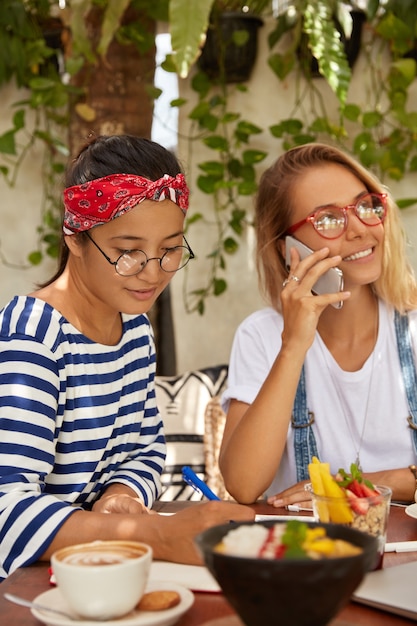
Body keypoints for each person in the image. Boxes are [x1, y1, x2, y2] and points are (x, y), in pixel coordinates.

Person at [0, 134, 254, 581]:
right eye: (127, 252)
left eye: (170, 249)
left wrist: (122, 494)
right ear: (74, 237)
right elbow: (7, 512)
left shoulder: (134, 330)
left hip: (102, 571)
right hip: (31, 591)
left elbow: (144, 452)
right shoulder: (33, 337)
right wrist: (150, 535)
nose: (153, 272)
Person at [219, 142, 417, 507]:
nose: (358, 228)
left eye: (365, 205)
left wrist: (352, 486)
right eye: (328, 219)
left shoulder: (413, 327)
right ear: (287, 247)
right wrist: (293, 345)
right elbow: (244, 485)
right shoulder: (261, 335)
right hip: (312, 556)